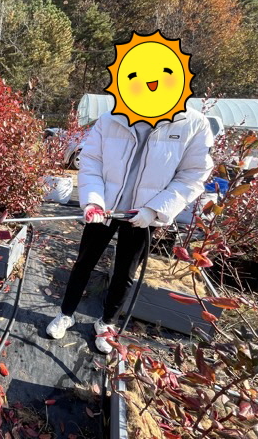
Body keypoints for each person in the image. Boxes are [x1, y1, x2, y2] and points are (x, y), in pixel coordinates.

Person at [46, 108, 214, 353]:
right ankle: (65, 314)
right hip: (105, 207)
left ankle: (106, 323)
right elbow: (92, 160)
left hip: (144, 214)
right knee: (84, 262)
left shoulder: (193, 123)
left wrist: (155, 210)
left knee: (125, 272)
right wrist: (93, 200)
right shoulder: (111, 117)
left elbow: (193, 174)